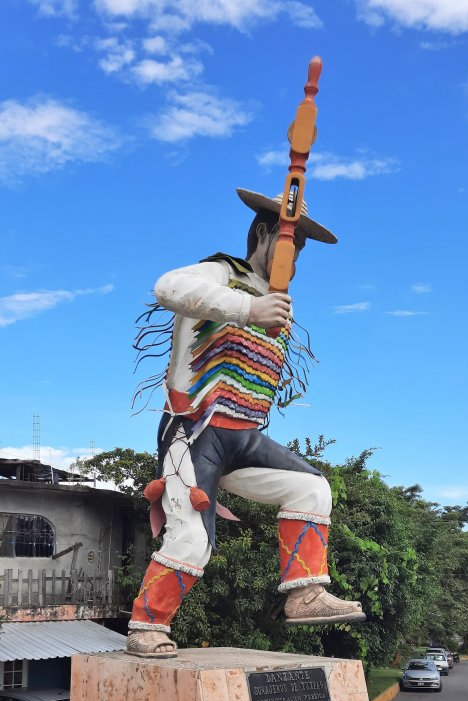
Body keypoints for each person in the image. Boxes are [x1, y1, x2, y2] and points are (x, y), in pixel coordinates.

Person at [126, 188, 366, 657]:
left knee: (312, 489)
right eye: (288, 242)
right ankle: (146, 625)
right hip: (192, 432)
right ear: (262, 233)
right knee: (193, 539)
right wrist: (247, 310)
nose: (294, 255)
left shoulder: (276, 299)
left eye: (299, 249)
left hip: (245, 437)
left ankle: (304, 593)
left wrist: (262, 307)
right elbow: (167, 287)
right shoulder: (221, 273)